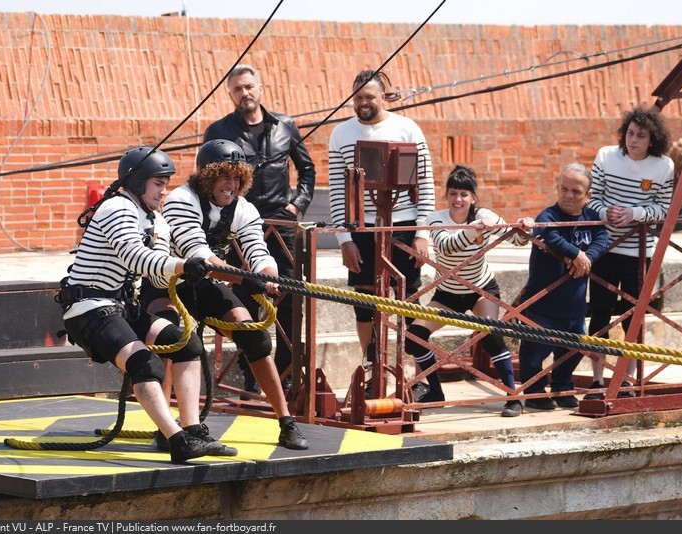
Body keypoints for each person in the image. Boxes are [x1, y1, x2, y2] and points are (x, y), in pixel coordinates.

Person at [58, 146, 238, 463]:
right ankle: (178, 441)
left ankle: (192, 430)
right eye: (158, 183)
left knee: (187, 345)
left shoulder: (154, 219)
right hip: (88, 308)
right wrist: (183, 265)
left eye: (166, 183)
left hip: (122, 306)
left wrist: (192, 273)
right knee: (146, 364)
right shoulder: (117, 208)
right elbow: (136, 258)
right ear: (138, 182)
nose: (164, 190)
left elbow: (158, 273)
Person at [142, 138, 309, 450]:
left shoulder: (244, 209)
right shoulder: (181, 200)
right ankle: (165, 428)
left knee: (254, 336)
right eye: (224, 176)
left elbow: (258, 252)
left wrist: (267, 278)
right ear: (207, 176)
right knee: (170, 336)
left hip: (203, 284)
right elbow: (200, 256)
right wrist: (248, 281)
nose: (231, 184)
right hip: (168, 277)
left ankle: (286, 422)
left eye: (237, 177)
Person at [204, 64, 316, 397]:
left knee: (290, 298)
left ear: (260, 88)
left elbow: (307, 169)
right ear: (230, 94)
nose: (245, 94)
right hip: (239, 224)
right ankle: (251, 372)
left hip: (282, 225)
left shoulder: (286, 125)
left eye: (249, 87)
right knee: (243, 298)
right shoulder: (218, 130)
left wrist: (297, 205)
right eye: (238, 89)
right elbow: (208, 175)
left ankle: (286, 372)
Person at [404, 165, 534, 417]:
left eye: (464, 194)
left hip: (481, 288)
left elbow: (517, 240)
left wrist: (525, 227)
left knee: (490, 335)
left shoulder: (486, 215)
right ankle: (435, 391)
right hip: (448, 293)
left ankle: (513, 398)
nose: (458, 200)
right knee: (414, 338)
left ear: (473, 197)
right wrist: (473, 229)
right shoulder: (436, 219)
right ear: (447, 196)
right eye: (453, 193)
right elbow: (446, 245)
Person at [328, 69, 436, 366]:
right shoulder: (340, 133)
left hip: (403, 225)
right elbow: (338, 191)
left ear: (384, 97)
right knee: (364, 305)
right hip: (360, 227)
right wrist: (344, 240)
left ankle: (421, 372)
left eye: (369, 97)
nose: (363, 102)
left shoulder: (408, 128)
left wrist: (422, 234)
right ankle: (372, 367)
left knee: (409, 301)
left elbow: (425, 183)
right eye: (358, 97)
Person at [584, 107, 674, 400]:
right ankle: (597, 381)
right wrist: (606, 213)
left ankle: (627, 379)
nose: (633, 140)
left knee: (632, 317)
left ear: (652, 139)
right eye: (630, 133)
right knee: (599, 313)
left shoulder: (664, 166)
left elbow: (663, 208)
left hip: (639, 253)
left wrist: (634, 213)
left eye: (641, 136)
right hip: (605, 248)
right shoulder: (606, 156)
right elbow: (592, 198)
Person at [518, 163, 608, 410]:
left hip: (574, 307)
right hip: (543, 305)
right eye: (564, 189)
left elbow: (603, 238)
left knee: (575, 349)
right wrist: (575, 254)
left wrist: (586, 258)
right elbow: (549, 235)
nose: (569, 195)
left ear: (588, 196)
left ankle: (562, 386)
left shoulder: (592, 219)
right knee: (534, 353)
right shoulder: (548, 216)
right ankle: (535, 391)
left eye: (576, 192)